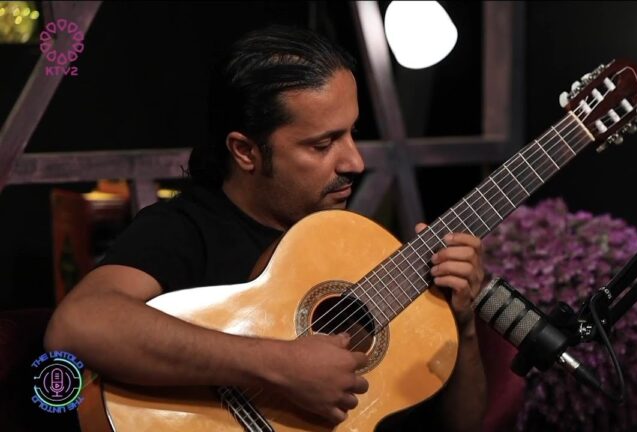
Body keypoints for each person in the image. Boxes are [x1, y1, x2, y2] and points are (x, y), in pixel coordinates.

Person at [44, 26, 487, 431]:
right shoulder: (185, 228)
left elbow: (461, 427)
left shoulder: (353, 248)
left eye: (353, 132)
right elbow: (77, 325)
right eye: (323, 144)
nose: (355, 161)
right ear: (245, 151)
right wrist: (281, 366)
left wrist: (462, 325)